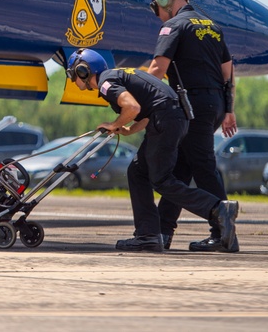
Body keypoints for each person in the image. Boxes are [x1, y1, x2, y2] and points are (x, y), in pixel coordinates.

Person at [66, 48, 239, 253]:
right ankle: (147, 235)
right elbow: (144, 110)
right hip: (174, 116)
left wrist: (114, 124)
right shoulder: (117, 75)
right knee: (138, 171)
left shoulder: (105, 82)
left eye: (72, 73)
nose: (72, 79)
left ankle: (218, 208)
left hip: (166, 118)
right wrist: (129, 129)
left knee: (162, 180)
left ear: (84, 71)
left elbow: (132, 107)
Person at [145, 0, 237, 253]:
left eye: (156, 8)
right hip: (214, 104)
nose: (157, 15)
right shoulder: (212, 26)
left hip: (191, 104)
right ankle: (162, 231)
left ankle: (223, 231)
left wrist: (138, 104)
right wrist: (229, 109)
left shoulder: (173, 26)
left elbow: (156, 70)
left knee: (203, 166)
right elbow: (228, 73)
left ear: (164, 0)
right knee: (181, 169)